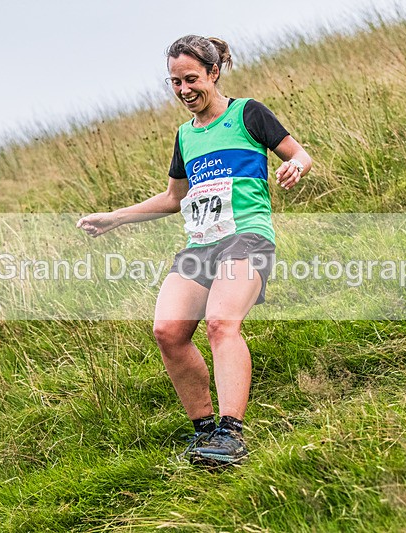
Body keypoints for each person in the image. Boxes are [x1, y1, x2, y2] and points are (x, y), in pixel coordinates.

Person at [77, 35, 312, 466]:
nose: (184, 90)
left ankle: (231, 434)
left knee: (222, 323)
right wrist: (115, 218)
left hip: (247, 237)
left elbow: (299, 153)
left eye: (191, 79)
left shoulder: (248, 114)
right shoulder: (185, 136)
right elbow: (173, 198)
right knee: (168, 331)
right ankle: (205, 431)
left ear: (213, 73)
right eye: (174, 82)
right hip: (201, 244)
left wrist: (294, 165)